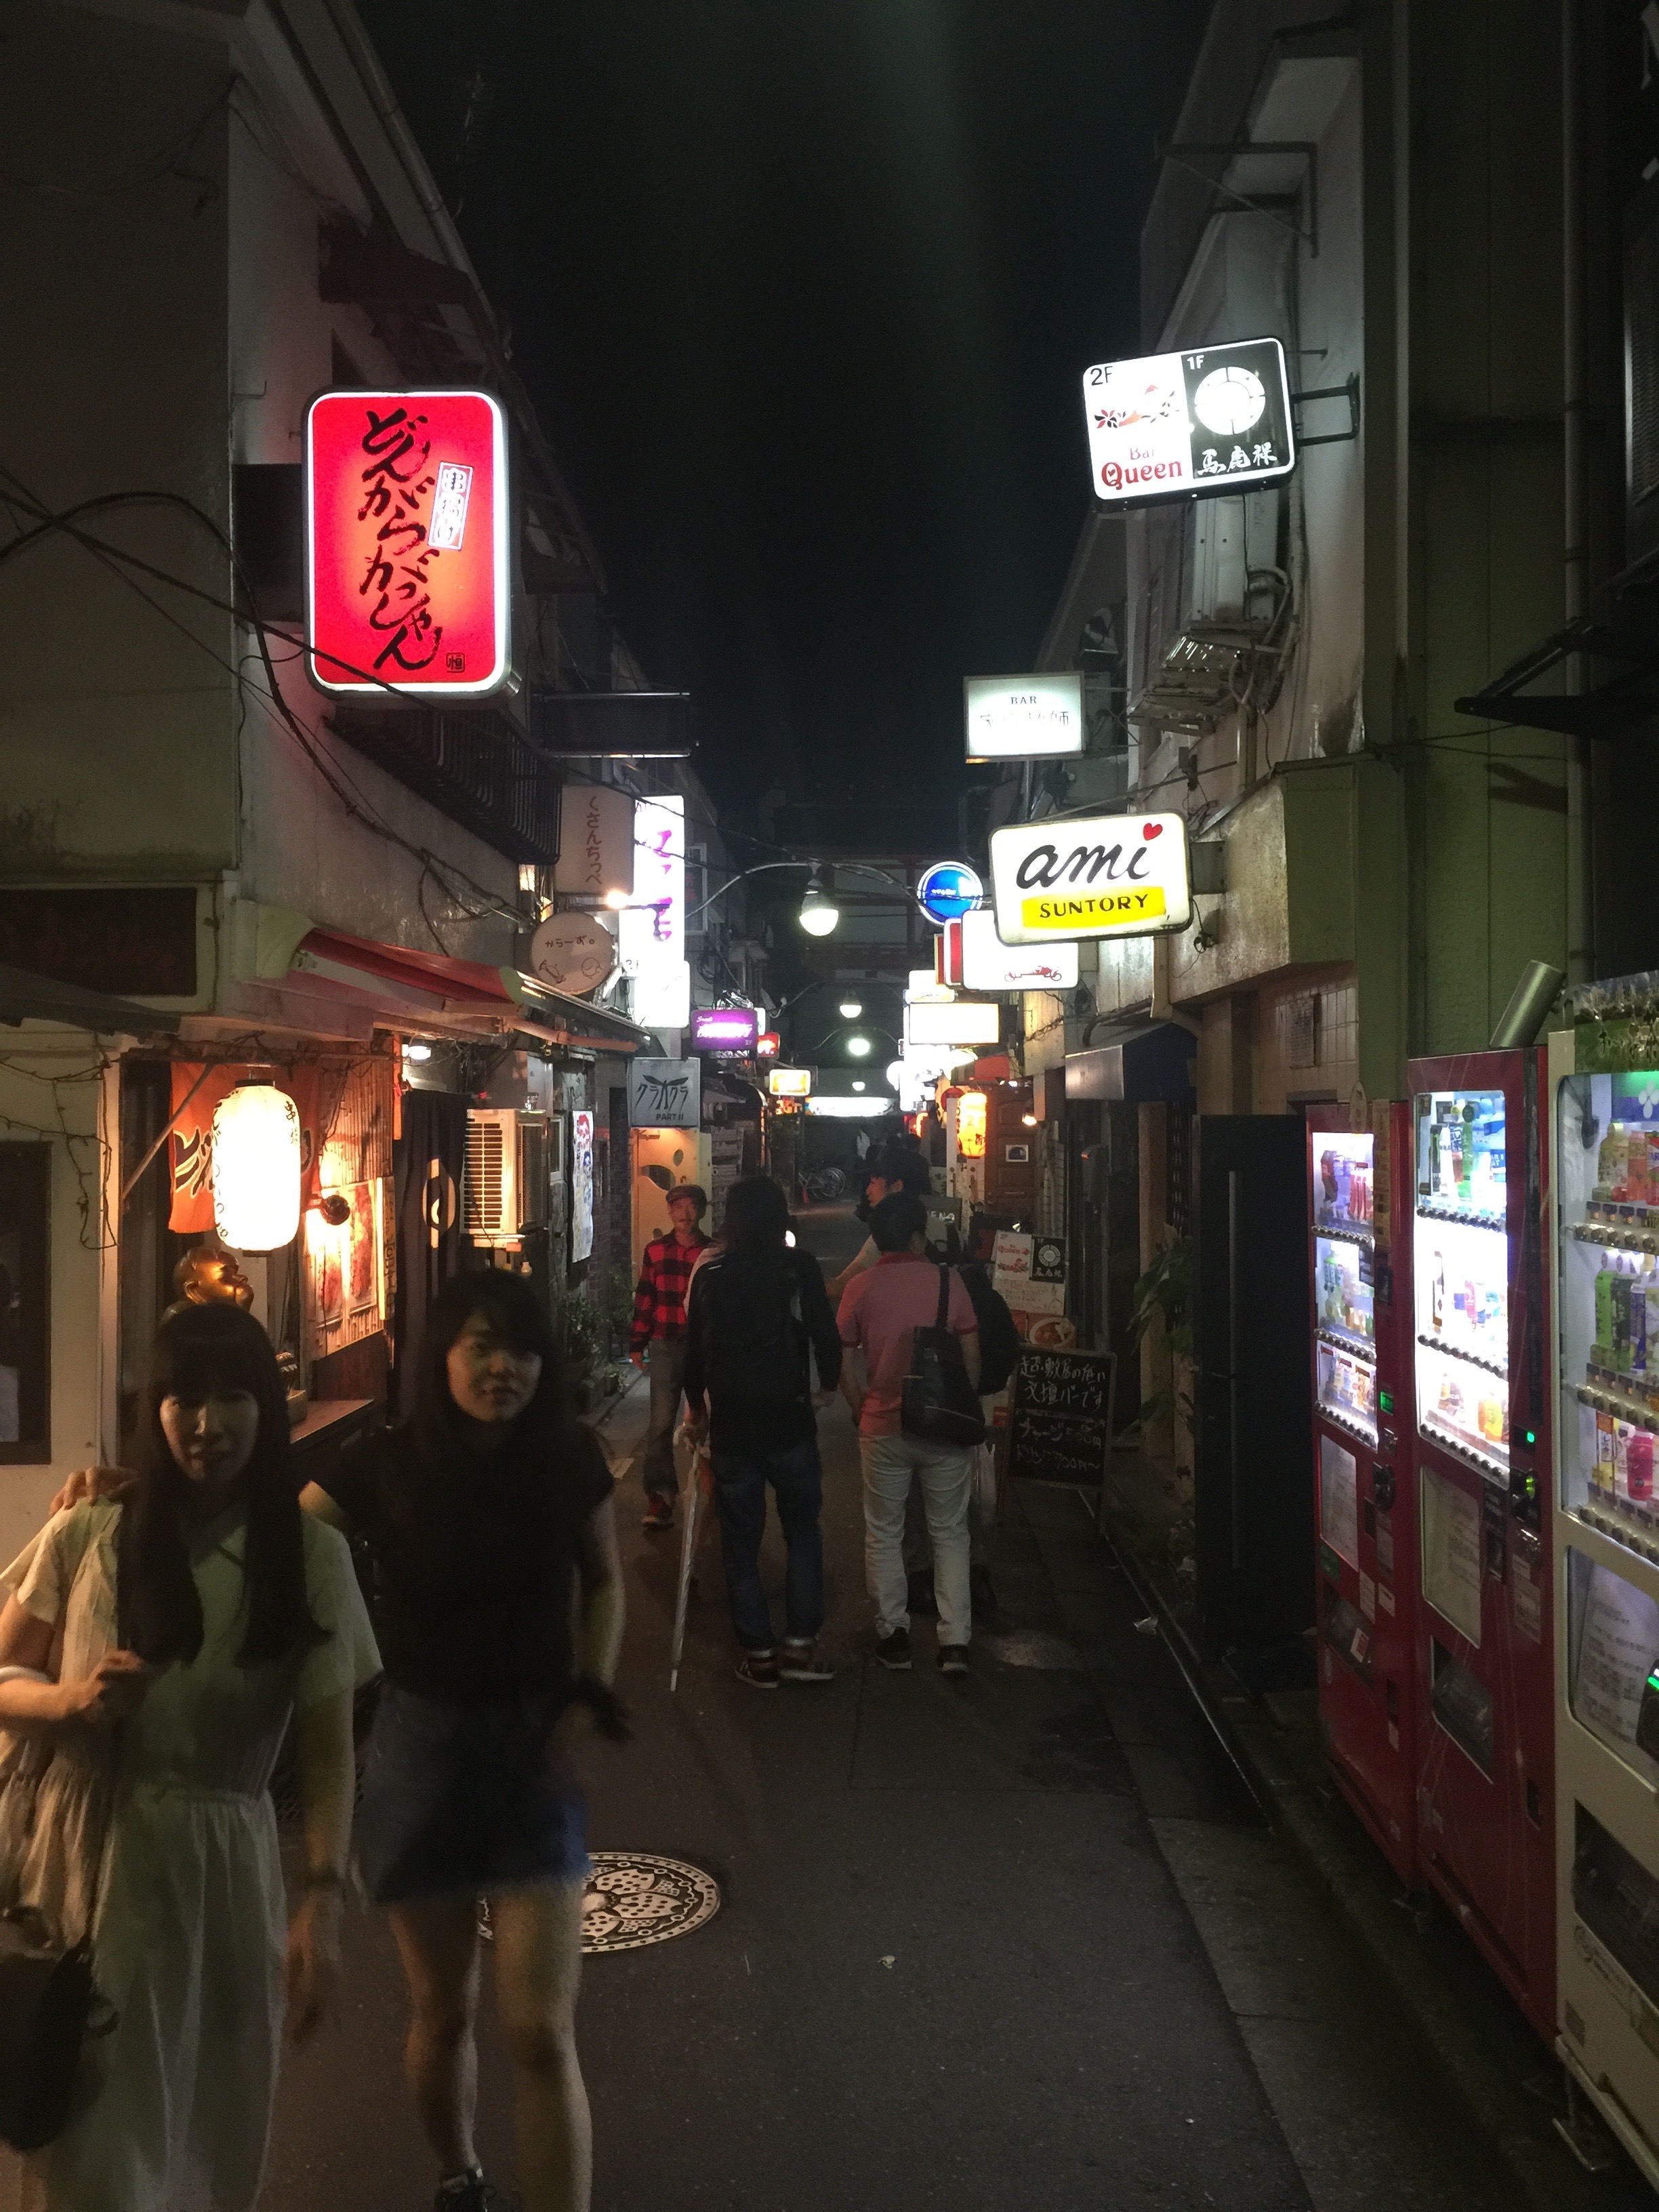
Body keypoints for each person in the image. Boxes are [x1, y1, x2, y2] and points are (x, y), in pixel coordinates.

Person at [0, 1303, 378, 2212]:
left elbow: (328, 1756)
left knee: (212, 2140)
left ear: (267, 1408)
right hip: (87, 1862)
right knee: (94, 2156)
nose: (209, 1424)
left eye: (234, 1396)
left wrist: (323, 1903)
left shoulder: (311, 1556)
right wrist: (70, 1702)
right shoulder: (92, 1530)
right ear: (154, 1409)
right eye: (185, 1399)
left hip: (224, 1879)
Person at [304, 1271, 624, 2212]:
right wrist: (131, 1500)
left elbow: (604, 1580)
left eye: (521, 1349)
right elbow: (284, 1540)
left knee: (539, 2030)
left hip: (532, 1754)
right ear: (440, 1356)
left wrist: (590, 1688)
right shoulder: (385, 1460)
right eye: (480, 1346)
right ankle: (461, 2176)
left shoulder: (568, 1457)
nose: (502, 1368)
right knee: (443, 2014)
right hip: (420, 1752)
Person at [681, 1175, 842, 1689]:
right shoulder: (798, 1268)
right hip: (789, 1421)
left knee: (741, 1543)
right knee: (803, 1532)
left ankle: (759, 1655)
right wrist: (828, 1386)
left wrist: (696, 1411)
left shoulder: (711, 1275)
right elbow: (824, 1331)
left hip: (733, 1426)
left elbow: (693, 1353)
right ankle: (799, 1647)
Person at [837, 1191, 980, 1675]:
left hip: (882, 1426)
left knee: (884, 1531)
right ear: (920, 1236)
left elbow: (844, 1361)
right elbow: (972, 1355)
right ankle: (955, 1642)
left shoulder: (860, 1287)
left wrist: (859, 1405)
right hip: (943, 1427)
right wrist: (962, 1406)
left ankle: (894, 1636)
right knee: (950, 1532)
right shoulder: (949, 1281)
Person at [628, 1184, 711, 1530]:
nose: (684, 1214)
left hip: (703, 1345)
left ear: (701, 1211)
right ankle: (660, 1497)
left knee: (709, 1418)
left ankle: (713, 1489)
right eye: (678, 1207)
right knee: (661, 1422)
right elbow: (646, 1297)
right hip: (664, 1342)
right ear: (669, 1211)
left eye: (691, 1207)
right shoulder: (656, 1251)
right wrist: (637, 1343)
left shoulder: (711, 1253)